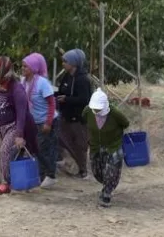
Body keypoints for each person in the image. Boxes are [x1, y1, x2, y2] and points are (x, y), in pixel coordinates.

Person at [0, 56, 40, 194]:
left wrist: (19, 135)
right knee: (9, 154)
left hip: (13, 126)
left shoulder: (17, 90)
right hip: (1, 127)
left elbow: (21, 114)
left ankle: (5, 183)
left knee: (4, 151)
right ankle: (15, 180)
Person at [84, 88, 130, 207]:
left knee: (112, 170)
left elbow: (126, 123)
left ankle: (106, 194)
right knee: (97, 171)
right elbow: (84, 120)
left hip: (112, 145)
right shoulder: (88, 111)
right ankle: (106, 185)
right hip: (96, 146)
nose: (96, 110)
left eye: (99, 108)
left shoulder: (114, 113)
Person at [21, 53, 59, 188]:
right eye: (23, 66)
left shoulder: (42, 83)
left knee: (43, 148)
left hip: (46, 121)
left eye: (26, 66)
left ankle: (51, 175)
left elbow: (51, 103)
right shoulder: (23, 82)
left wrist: (48, 122)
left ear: (34, 67)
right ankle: (42, 175)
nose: (23, 68)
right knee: (35, 148)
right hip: (33, 121)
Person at [56, 49, 92, 179]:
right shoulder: (67, 76)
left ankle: (83, 171)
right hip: (66, 115)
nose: (63, 64)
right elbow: (62, 91)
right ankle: (68, 163)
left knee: (79, 144)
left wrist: (67, 99)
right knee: (62, 138)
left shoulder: (83, 80)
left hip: (78, 117)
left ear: (74, 63)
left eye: (66, 61)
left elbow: (85, 99)